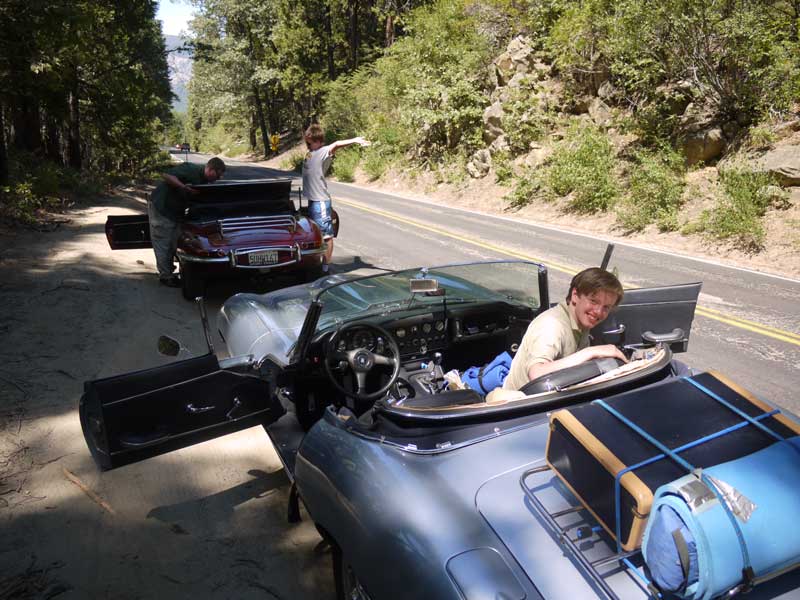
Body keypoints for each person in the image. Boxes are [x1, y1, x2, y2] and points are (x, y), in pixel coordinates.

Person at [502, 267, 628, 391]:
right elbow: (537, 373)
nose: (598, 312)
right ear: (575, 295)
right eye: (593, 301)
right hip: (522, 405)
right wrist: (590, 352)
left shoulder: (581, 321)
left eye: (606, 307)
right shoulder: (552, 325)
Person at [301, 124, 370, 272]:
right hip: (313, 201)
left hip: (320, 201)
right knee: (315, 234)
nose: (310, 144)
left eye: (312, 141)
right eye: (308, 141)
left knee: (326, 236)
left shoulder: (323, 151)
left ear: (318, 141)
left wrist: (356, 140)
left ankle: (326, 267)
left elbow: (337, 144)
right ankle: (317, 263)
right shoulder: (309, 154)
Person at [148, 157, 226, 287]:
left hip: (175, 211)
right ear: (210, 169)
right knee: (163, 242)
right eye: (217, 175)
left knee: (174, 241)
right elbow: (166, 175)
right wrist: (183, 187)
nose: (217, 179)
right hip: (161, 207)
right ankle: (166, 277)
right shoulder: (191, 169)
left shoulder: (204, 181)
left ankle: (169, 271)